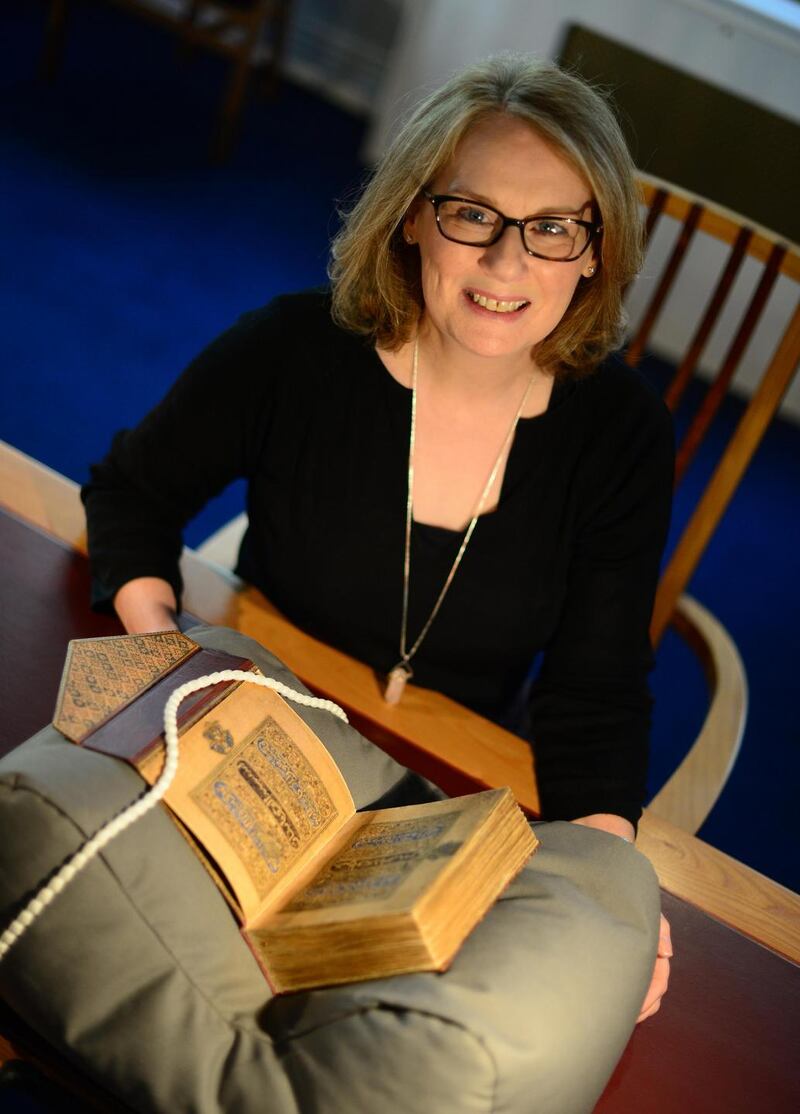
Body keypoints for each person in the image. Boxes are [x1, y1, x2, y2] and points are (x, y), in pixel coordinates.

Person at [82, 54, 673, 1019]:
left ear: (594, 253)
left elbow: (595, 692)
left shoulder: (623, 432)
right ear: (411, 216)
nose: (508, 262)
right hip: (254, 731)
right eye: (473, 214)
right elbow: (132, 494)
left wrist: (615, 896)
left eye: (553, 227)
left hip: (443, 793)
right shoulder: (293, 350)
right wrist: (167, 670)